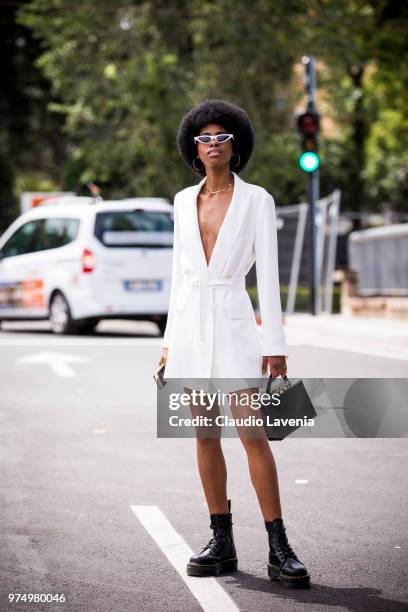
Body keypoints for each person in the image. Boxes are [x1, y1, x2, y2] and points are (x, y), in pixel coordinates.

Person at [158, 99, 310, 589]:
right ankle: (220, 540)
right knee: (204, 434)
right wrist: (166, 343)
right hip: (189, 328)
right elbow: (178, 277)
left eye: (222, 137)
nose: (213, 145)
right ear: (193, 149)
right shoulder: (183, 202)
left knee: (252, 435)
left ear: (235, 145)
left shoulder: (257, 200)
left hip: (235, 321)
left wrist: (276, 342)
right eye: (204, 138)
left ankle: (278, 546)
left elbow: (268, 274)